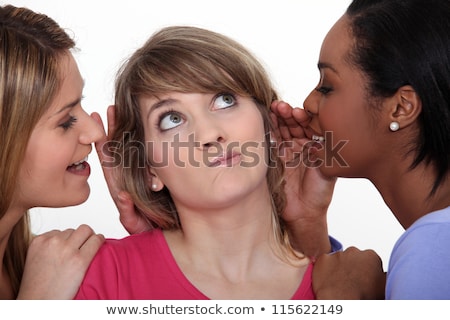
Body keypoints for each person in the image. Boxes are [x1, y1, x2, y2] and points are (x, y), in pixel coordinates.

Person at [75, 25, 386, 300]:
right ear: (149, 169)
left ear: (268, 123)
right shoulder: (98, 276)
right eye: (172, 119)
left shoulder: (354, 287)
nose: (210, 134)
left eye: (224, 100)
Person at [272, 0, 450, 299]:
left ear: (401, 108)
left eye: (327, 86)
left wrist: (344, 301)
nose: (309, 103)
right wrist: (307, 221)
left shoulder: (431, 248)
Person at [0, 4, 107, 299]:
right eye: (66, 120)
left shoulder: (42, 265)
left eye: (80, 102)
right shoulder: (45, 286)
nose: (96, 133)